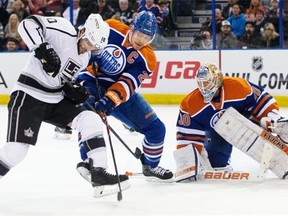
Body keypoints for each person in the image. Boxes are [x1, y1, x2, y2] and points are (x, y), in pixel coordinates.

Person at [0, 13, 130, 197]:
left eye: (94, 47)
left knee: (90, 118)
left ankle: (98, 173)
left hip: (54, 99)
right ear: (82, 32)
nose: (89, 49)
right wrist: (42, 48)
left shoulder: (85, 57)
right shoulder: (63, 29)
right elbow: (27, 24)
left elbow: (61, 78)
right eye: (89, 43)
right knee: (16, 150)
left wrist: (71, 88)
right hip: (29, 94)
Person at [74, 11, 174, 182]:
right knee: (89, 117)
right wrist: (82, 73)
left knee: (157, 129)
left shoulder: (148, 58)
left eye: (147, 38)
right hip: (91, 81)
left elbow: (128, 83)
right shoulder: (111, 27)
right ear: (132, 28)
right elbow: (84, 43)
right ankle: (89, 162)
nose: (141, 40)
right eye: (140, 34)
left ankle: (150, 165)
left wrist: (109, 100)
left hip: (119, 94)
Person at [174, 63, 288, 181]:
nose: (204, 87)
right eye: (201, 83)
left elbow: (261, 100)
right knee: (217, 165)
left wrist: (271, 115)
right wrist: (188, 161)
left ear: (217, 80)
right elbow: (187, 136)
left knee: (249, 119)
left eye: (207, 82)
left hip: (247, 121)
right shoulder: (190, 104)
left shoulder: (238, 86)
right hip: (216, 134)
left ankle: (272, 127)